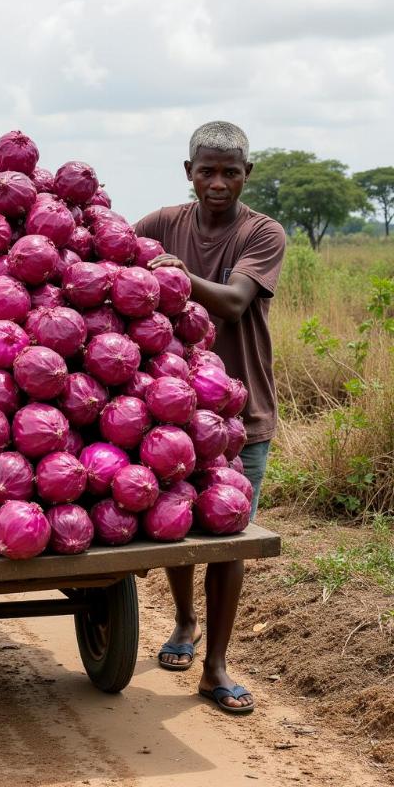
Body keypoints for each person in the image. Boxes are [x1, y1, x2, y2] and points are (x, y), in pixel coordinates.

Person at [134, 120, 286, 714]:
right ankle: (184, 621)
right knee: (175, 521)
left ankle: (217, 666)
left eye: (230, 172)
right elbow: (111, 245)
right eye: (207, 170)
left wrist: (172, 273)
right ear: (188, 172)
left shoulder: (263, 232)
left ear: (248, 175)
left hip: (240, 411)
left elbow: (232, 301)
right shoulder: (163, 222)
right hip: (170, 409)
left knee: (227, 536)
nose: (217, 182)